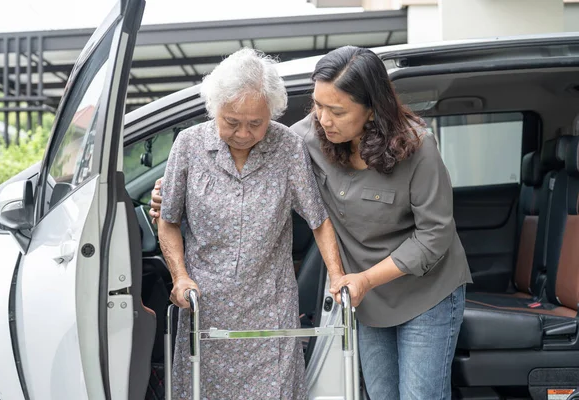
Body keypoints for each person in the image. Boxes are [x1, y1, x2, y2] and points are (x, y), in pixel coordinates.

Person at [151, 45, 473, 400]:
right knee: (381, 395)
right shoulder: (308, 136)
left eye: (336, 110)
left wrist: (357, 278)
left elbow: (435, 235)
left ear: (371, 111)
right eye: (318, 106)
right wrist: (168, 196)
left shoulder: (417, 147)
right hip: (367, 296)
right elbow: (194, 190)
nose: (323, 119)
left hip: (424, 291)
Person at [156, 48, 344, 400]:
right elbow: (168, 220)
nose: (244, 132)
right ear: (214, 109)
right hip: (205, 309)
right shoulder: (189, 145)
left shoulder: (287, 147)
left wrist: (336, 276)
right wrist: (180, 276)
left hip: (269, 312)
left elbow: (318, 220)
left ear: (271, 113)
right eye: (231, 121)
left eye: (256, 123)